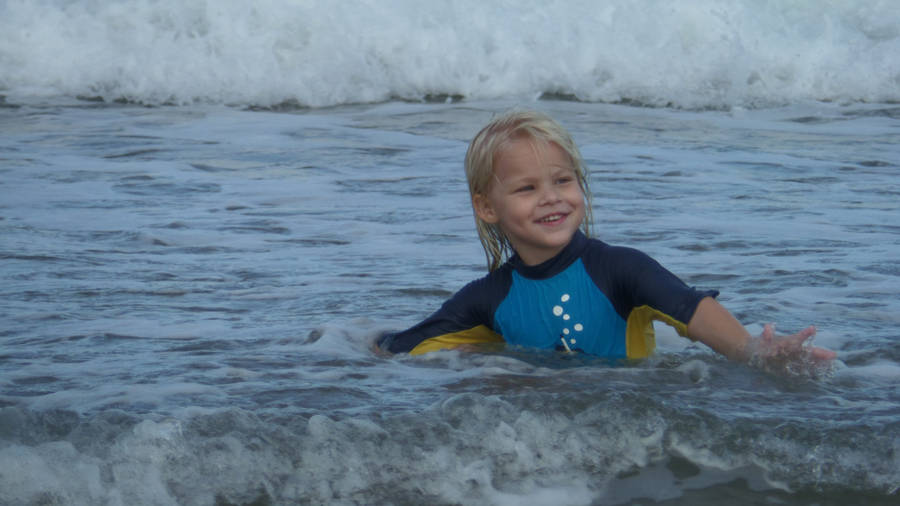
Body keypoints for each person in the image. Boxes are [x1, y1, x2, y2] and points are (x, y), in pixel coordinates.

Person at [376, 110, 835, 372]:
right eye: (527, 188)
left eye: (562, 181)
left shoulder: (620, 270)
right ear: (487, 208)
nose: (551, 199)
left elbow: (690, 309)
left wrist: (751, 350)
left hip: (630, 419)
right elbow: (402, 346)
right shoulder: (487, 296)